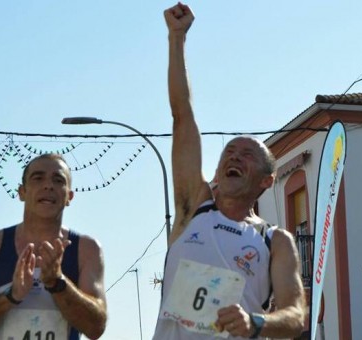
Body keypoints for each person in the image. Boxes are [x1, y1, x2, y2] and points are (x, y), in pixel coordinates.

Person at [155, 2, 306, 339]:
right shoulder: (193, 205)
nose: (234, 158)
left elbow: (296, 315)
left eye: (247, 155)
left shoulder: (275, 240)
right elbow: (182, 115)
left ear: (267, 181)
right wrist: (176, 39)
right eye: (230, 151)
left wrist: (257, 322)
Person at [0, 153, 107, 339]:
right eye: (38, 178)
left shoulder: (87, 250)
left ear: (69, 196)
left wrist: (59, 284)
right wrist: (11, 296)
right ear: (22, 192)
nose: (48, 185)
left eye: (58, 180)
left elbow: (96, 327)